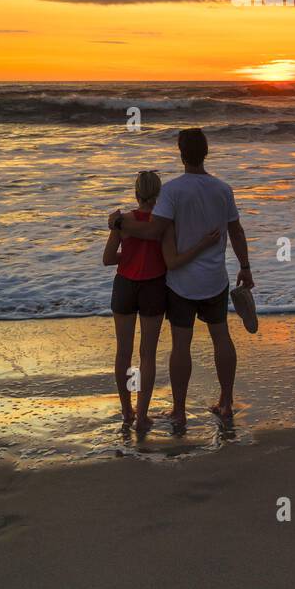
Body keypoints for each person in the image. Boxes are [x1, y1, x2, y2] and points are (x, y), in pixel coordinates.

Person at [109, 128, 253, 426]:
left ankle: (179, 410)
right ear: (206, 152)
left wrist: (119, 222)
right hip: (214, 279)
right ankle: (225, 403)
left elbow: (153, 230)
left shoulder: (173, 191)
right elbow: (237, 231)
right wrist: (246, 267)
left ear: (180, 153)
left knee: (180, 345)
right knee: (221, 337)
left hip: (180, 282)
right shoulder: (223, 189)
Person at [103, 169, 220, 430]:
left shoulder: (124, 222)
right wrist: (203, 244)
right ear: (160, 194)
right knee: (147, 354)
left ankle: (126, 412)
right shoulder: (163, 224)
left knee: (124, 351)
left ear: (136, 193)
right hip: (153, 287)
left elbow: (108, 258)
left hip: (124, 285)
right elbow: (173, 258)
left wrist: (129, 257)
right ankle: (142, 416)